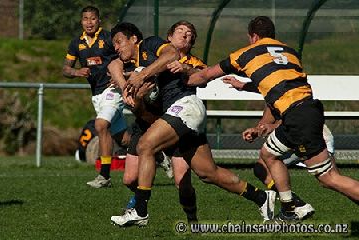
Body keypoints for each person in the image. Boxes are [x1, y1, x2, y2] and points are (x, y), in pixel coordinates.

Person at [187, 16, 359, 221]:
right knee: (268, 154)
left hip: (298, 116)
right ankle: (289, 208)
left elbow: (205, 75)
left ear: (253, 36)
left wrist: (181, 75)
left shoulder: (245, 54)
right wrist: (244, 86)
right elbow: (279, 84)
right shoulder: (290, 52)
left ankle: (290, 208)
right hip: (306, 111)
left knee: (329, 178)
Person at [108, 22, 276, 227]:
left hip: (185, 107)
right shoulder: (134, 63)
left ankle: (140, 211)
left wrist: (141, 76)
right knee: (208, 173)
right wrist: (128, 86)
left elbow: (172, 56)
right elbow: (112, 65)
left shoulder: (150, 44)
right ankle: (261, 198)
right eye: (114, 44)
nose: (116, 47)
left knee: (146, 145)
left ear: (134, 39)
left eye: (119, 42)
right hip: (177, 115)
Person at [110, 21, 207, 223]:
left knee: (185, 181)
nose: (185, 35)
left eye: (190, 33)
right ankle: (138, 206)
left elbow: (203, 76)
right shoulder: (148, 54)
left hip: (176, 118)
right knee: (129, 178)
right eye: (180, 31)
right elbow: (114, 65)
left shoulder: (189, 61)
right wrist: (126, 87)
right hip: (147, 122)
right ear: (169, 37)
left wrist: (185, 69)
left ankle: (191, 219)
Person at [62, 6, 130, 188]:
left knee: (100, 125)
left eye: (93, 19)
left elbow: (126, 57)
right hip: (97, 95)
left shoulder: (108, 38)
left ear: (98, 20)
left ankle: (104, 176)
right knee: (124, 139)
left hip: (112, 91)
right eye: (85, 19)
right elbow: (66, 69)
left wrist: (120, 77)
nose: (89, 22)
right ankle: (157, 153)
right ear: (81, 21)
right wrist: (77, 72)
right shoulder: (76, 43)